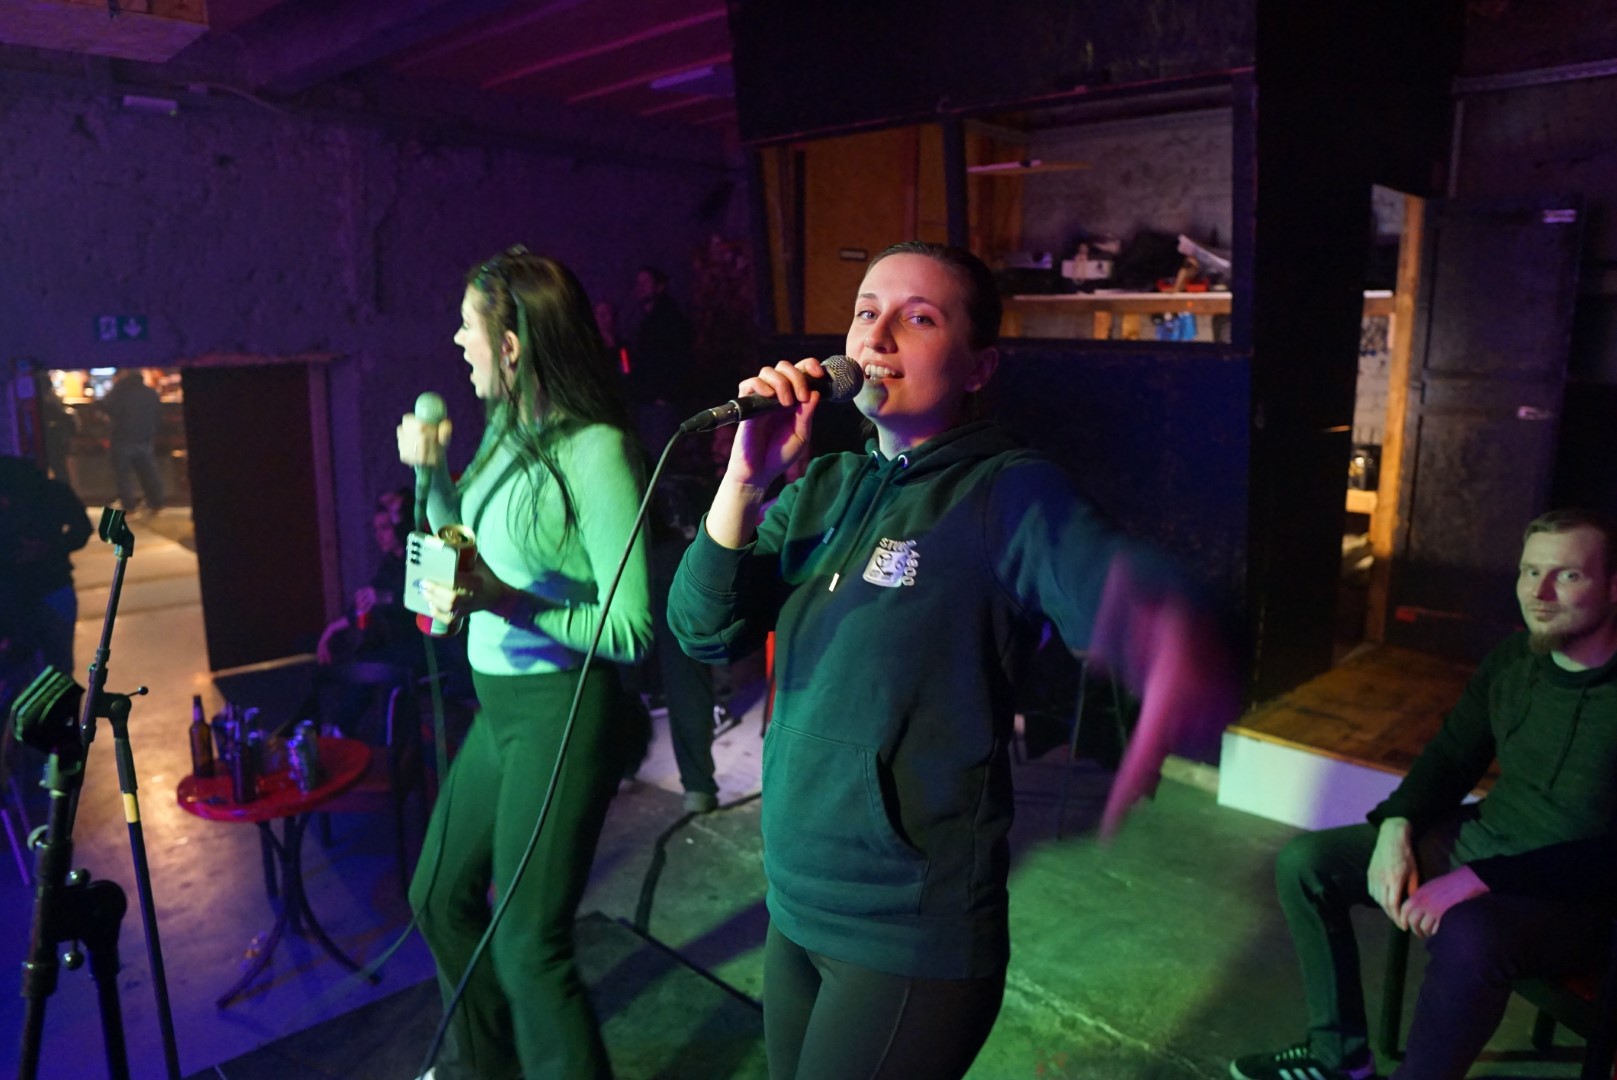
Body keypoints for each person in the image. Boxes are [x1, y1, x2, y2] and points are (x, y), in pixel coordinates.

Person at [667, 240, 1234, 1079]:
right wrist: (745, 481)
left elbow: (1103, 574)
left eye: (919, 318)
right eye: (865, 312)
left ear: (979, 367)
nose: (876, 337)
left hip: (905, 936)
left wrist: (1164, 623)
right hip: (793, 902)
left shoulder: (1005, 489)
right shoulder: (823, 485)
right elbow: (701, 631)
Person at [1230, 507, 1617, 1080]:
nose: (1539, 593)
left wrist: (1480, 879)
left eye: (1569, 575)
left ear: (1613, 587)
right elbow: (1452, 756)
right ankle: (1338, 1055)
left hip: (1578, 895)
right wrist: (1397, 824)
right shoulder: (1514, 661)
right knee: (1307, 864)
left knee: (1471, 934)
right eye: (1530, 572)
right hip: (1492, 841)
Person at [396, 246, 653, 1080]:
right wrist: (432, 475)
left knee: (528, 947)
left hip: (561, 712)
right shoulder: (507, 432)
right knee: (437, 898)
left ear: (510, 345)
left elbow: (633, 630)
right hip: (499, 709)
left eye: (467, 326)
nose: (456, 341)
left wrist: (508, 601)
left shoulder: (596, 450)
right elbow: (458, 541)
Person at [0, 455, 92, 682]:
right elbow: (82, 529)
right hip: (52, 584)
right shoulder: (52, 491)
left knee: (18, 667)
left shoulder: (47, 492)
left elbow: (82, 529)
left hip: (16, 588)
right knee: (59, 667)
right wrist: (52, 547)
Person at [100, 368, 165, 515]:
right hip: (145, 438)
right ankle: (156, 503)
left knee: (123, 475)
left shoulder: (119, 391)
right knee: (149, 472)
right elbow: (158, 415)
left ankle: (129, 506)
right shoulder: (150, 392)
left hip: (122, 438)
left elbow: (106, 407)